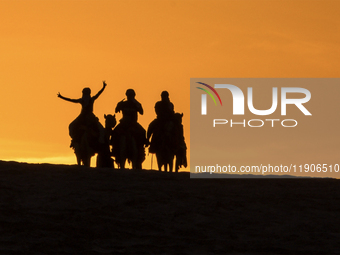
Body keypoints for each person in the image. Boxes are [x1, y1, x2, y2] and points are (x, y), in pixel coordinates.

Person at [57, 81, 107, 146]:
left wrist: (61, 97)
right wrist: (103, 87)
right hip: (87, 116)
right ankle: (101, 140)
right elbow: (98, 93)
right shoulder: (90, 99)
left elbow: (71, 100)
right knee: (101, 129)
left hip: (85, 116)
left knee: (72, 126)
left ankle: (75, 140)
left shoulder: (84, 100)